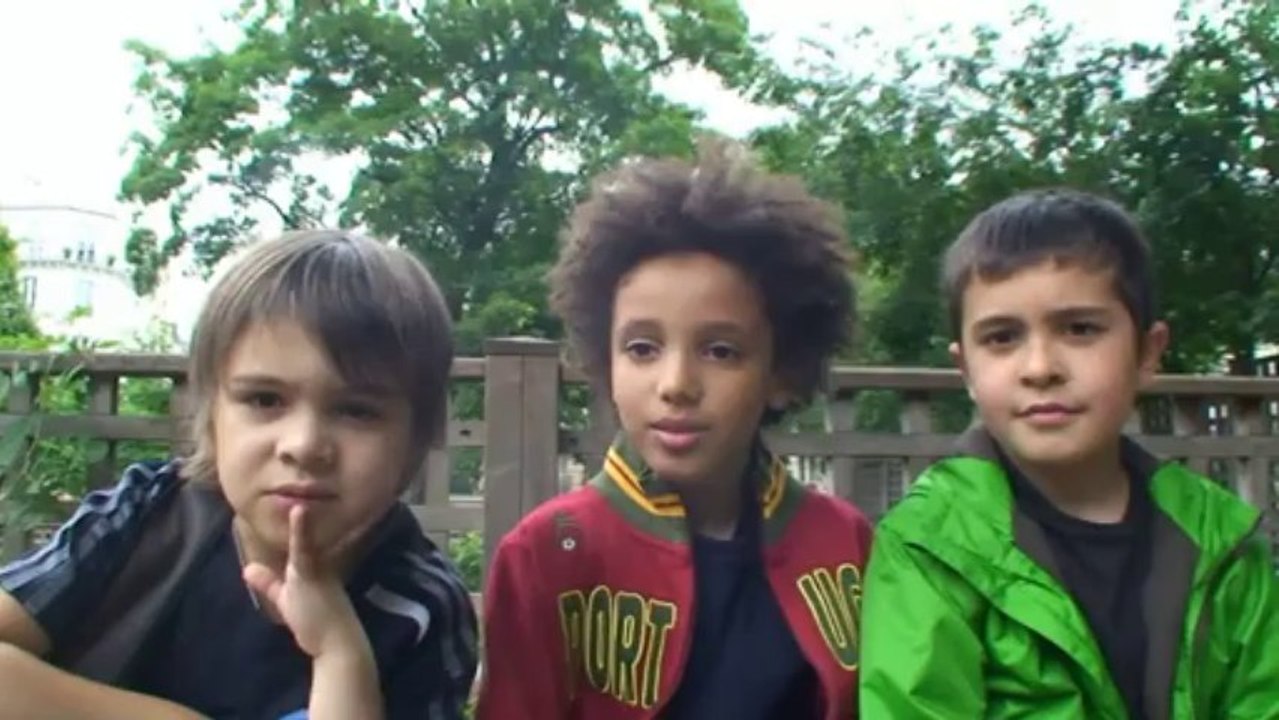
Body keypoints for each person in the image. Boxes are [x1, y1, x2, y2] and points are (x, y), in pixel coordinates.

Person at [0, 230, 478, 719]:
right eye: (265, 400)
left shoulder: (421, 609)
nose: (304, 446)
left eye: (356, 411)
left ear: (419, 435)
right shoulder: (149, 515)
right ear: (210, 414)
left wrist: (341, 652)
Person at [475, 138, 874, 720]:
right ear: (603, 361)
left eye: (720, 350)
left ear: (782, 372)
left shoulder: (844, 544)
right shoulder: (547, 552)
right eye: (642, 348)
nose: (676, 383)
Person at [859, 189, 1279, 718]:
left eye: (1080, 329)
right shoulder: (928, 545)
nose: (1040, 367)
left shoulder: (1223, 540)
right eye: (1002, 337)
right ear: (965, 370)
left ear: (1147, 354)